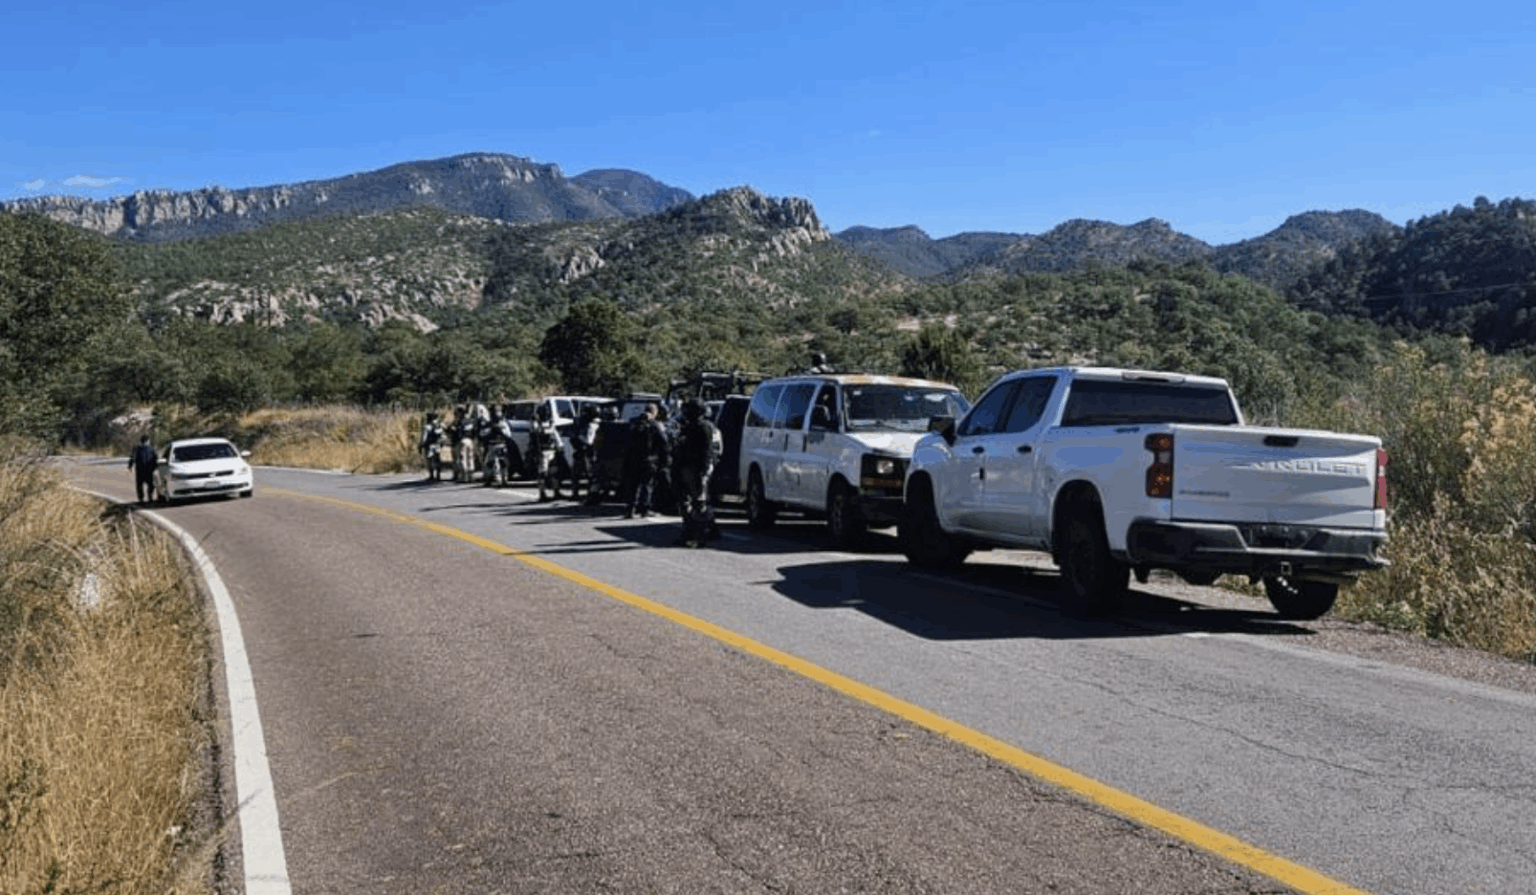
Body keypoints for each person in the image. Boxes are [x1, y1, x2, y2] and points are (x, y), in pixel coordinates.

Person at [672, 397, 723, 547]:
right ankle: (690, 532)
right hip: (686, 467)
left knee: (699, 503)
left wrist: (703, 472)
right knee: (685, 502)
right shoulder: (688, 426)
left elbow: (707, 451)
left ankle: (700, 536)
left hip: (696, 469)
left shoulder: (704, 427)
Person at [621, 403, 669, 518]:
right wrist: (664, 459)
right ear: (654, 412)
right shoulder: (654, 424)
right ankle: (644, 509)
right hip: (648, 459)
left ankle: (629, 509)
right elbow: (664, 441)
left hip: (632, 458)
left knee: (633, 485)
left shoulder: (632, 422)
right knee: (647, 485)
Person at [531, 402, 565, 501]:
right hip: (542, 451)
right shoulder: (536, 424)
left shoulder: (550, 423)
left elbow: (556, 436)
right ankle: (542, 493)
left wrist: (560, 447)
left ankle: (556, 491)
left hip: (551, 451)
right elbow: (535, 432)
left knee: (554, 472)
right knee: (542, 473)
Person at [569, 403, 601, 502]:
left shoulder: (593, 423)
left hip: (587, 451)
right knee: (581, 474)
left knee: (589, 475)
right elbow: (581, 438)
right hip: (583, 451)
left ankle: (589, 494)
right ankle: (579, 493)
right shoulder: (584, 423)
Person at [481, 407, 512, 487]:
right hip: (492, 445)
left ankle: (504, 480)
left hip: (501, 445)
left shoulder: (503, 424)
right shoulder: (488, 424)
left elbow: (508, 435)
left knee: (503, 463)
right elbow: (482, 433)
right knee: (490, 463)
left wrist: (501, 431)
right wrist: (490, 431)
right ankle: (489, 479)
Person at [127, 434, 159, 503]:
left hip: (140, 470)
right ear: (148, 441)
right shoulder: (152, 449)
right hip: (149, 470)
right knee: (150, 484)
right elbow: (156, 459)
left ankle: (141, 498)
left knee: (140, 485)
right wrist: (156, 467)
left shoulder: (136, 449)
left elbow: (132, 458)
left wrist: (130, 465)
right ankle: (149, 496)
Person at [419, 411, 446, 481]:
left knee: (430, 461)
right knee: (437, 460)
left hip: (430, 445)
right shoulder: (440, 424)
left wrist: (421, 445)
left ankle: (432, 475)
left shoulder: (427, 426)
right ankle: (438, 475)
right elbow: (443, 435)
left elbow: (423, 437)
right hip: (438, 444)